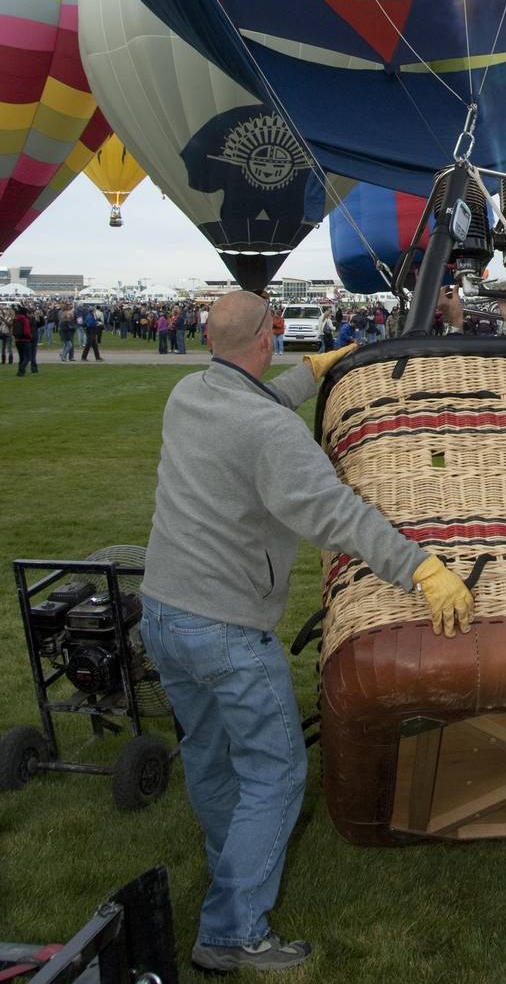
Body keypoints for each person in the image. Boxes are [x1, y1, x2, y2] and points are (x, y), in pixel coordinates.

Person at [139, 290, 473, 974]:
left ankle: (229, 867)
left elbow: (253, 403)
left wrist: (315, 371)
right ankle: (232, 930)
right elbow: (336, 515)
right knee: (277, 769)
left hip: (163, 613)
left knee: (208, 754)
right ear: (269, 337)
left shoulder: (188, 392)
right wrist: (423, 569)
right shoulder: (273, 434)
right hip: (227, 628)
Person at [12, 304, 37, 376]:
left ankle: (20, 371)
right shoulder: (25, 320)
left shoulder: (15, 319)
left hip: (17, 340)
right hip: (25, 340)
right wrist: (30, 337)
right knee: (27, 357)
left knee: (21, 357)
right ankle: (21, 370)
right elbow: (26, 331)